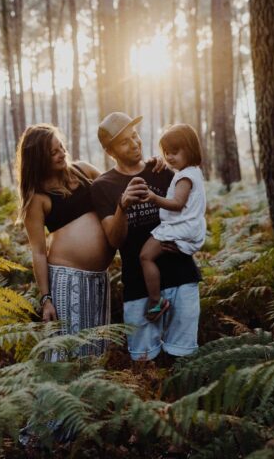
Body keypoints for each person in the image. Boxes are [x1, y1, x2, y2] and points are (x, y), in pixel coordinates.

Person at [90, 112, 202, 363]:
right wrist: (122, 206)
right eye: (124, 141)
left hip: (181, 277)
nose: (135, 143)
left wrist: (186, 243)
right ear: (111, 151)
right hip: (139, 288)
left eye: (135, 135)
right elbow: (115, 241)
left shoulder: (162, 170)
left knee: (184, 359)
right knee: (143, 362)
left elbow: (189, 212)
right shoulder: (102, 186)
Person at [16, 123, 113, 358]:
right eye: (53, 152)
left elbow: (117, 186)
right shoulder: (37, 199)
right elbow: (38, 252)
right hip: (67, 282)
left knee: (96, 352)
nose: (62, 154)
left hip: (99, 280)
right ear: (38, 159)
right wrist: (46, 299)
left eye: (61, 147)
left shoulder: (83, 170)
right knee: (68, 352)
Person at [139, 124, 207, 322]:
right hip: (189, 226)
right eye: (166, 152)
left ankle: (155, 300)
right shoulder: (194, 172)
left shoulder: (184, 177)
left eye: (174, 152)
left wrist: (153, 198)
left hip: (179, 227)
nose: (169, 157)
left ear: (190, 149)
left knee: (145, 256)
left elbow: (177, 204)